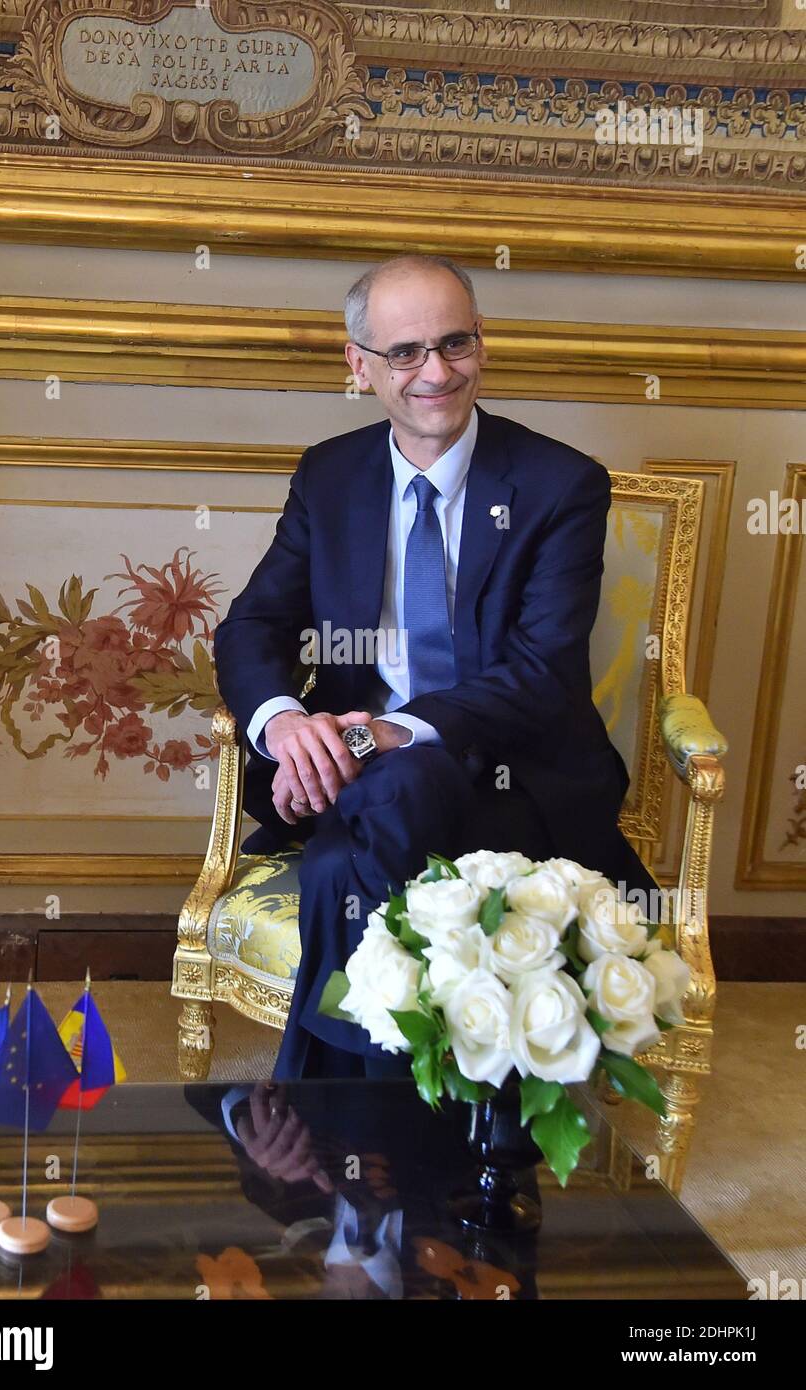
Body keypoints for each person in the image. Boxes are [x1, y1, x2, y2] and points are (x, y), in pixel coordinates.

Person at [213, 253, 659, 1081]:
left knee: (381, 810)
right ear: (359, 365)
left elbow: (540, 670)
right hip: (357, 777)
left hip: (511, 779)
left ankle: (328, 1114)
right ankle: (391, 1138)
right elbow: (254, 626)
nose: (436, 372)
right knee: (379, 808)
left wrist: (384, 735)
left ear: (482, 344)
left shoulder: (560, 485)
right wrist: (286, 727)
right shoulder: (331, 475)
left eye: (456, 344)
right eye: (406, 352)